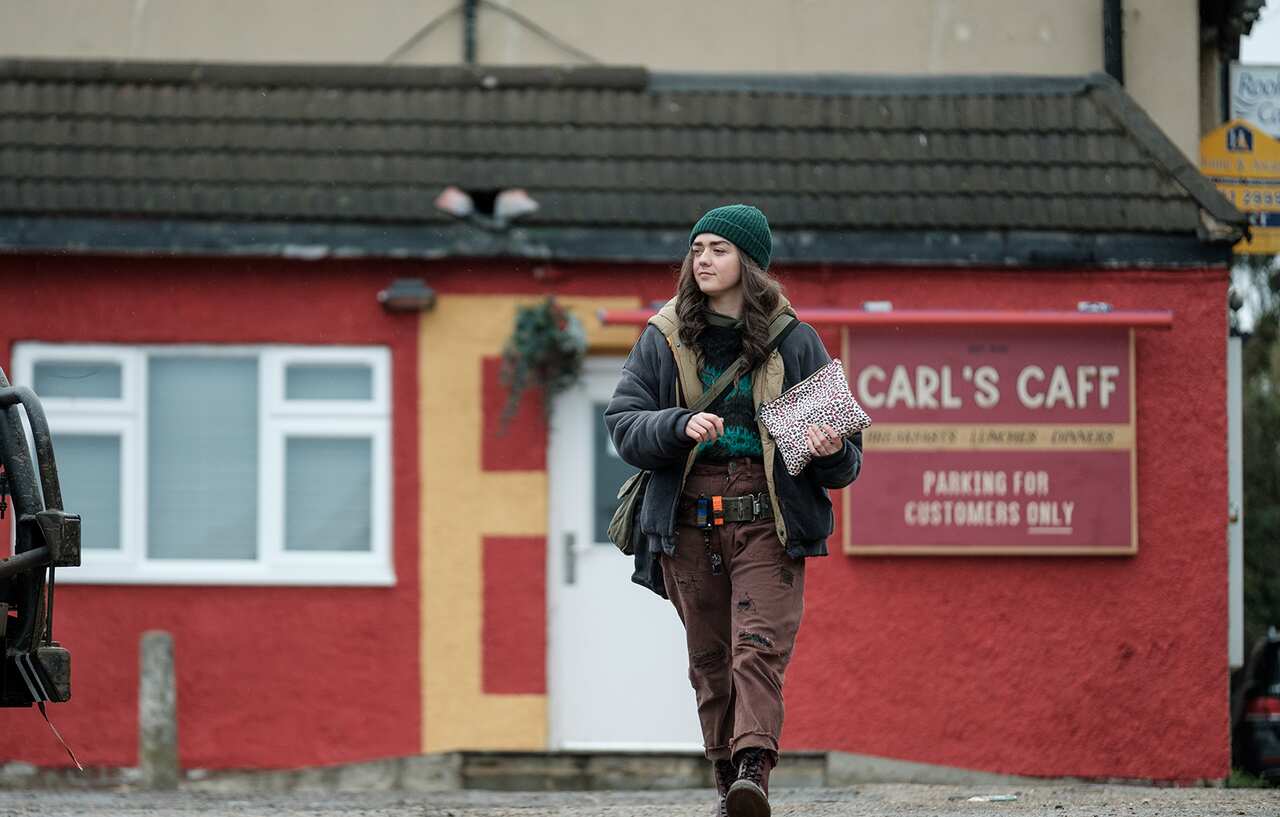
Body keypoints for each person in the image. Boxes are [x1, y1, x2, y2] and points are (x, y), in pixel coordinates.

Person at [604, 204, 862, 817]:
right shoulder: (662, 337)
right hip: (688, 522)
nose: (703, 260)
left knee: (758, 646)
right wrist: (677, 423)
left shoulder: (794, 339)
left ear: (749, 262)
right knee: (710, 659)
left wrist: (828, 449)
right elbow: (623, 424)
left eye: (718, 249)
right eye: (697, 249)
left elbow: (847, 461)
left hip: (768, 521)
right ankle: (727, 785)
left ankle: (753, 773)